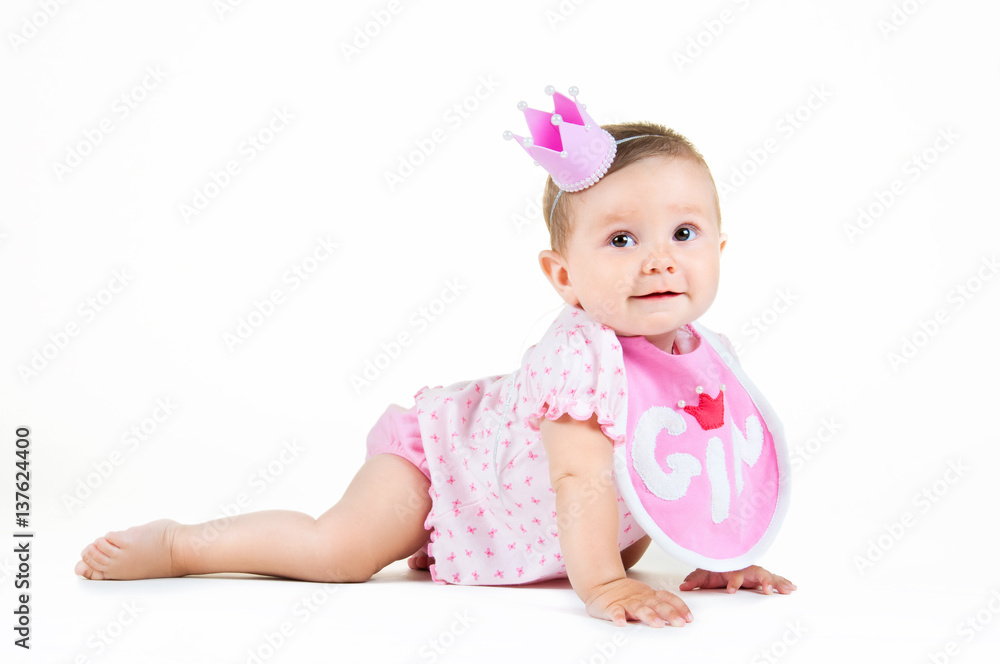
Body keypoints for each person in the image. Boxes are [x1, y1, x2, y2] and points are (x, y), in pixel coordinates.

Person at [75, 88, 796, 629]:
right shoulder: (582, 360)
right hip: (441, 470)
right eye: (621, 241)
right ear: (563, 277)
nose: (660, 260)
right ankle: (182, 545)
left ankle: (457, 557)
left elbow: (698, 473)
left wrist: (718, 553)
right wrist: (605, 587)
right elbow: (579, 479)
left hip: (511, 520)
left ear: (721, 250)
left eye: (685, 232)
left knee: (621, 544)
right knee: (343, 553)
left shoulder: (709, 358)